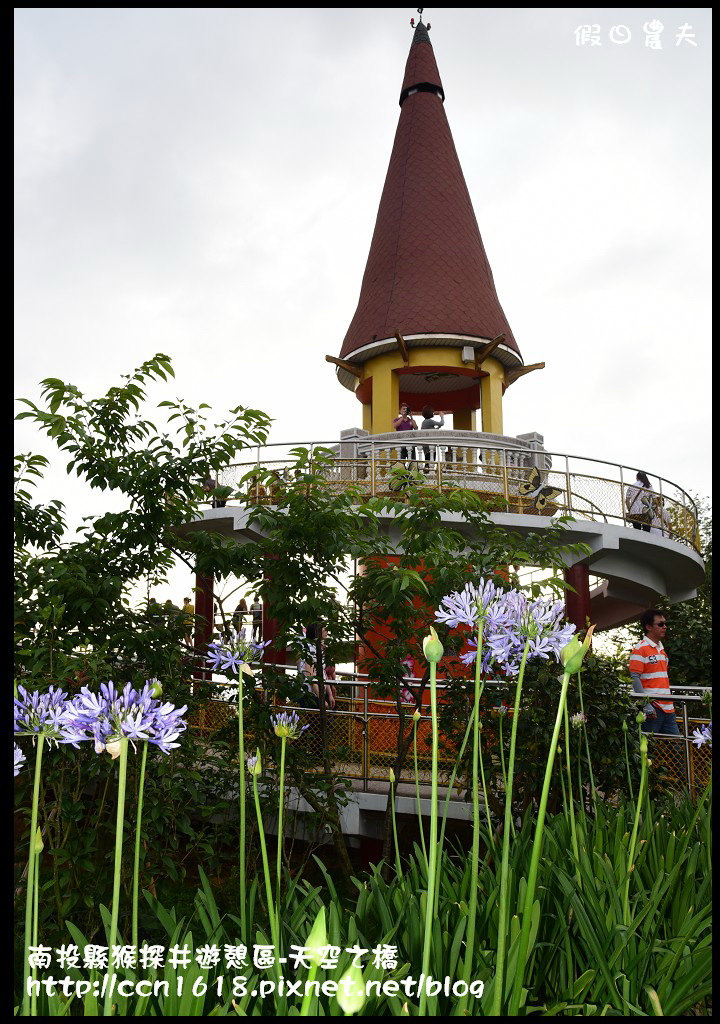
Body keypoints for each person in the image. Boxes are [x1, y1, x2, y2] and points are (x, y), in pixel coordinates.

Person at [629, 609, 679, 735]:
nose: (665, 627)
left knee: (677, 749)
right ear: (648, 627)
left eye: (665, 624)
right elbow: (634, 678)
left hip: (668, 708)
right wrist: (646, 705)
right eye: (660, 624)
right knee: (648, 747)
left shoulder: (661, 649)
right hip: (653, 708)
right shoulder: (639, 649)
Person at [420, 404, 445, 470]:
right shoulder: (429, 421)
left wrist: (438, 427)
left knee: (427, 459)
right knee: (431, 460)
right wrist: (442, 416)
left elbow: (433, 430)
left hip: (425, 445)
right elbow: (442, 423)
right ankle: (429, 472)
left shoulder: (424, 422)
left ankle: (427, 472)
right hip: (429, 445)